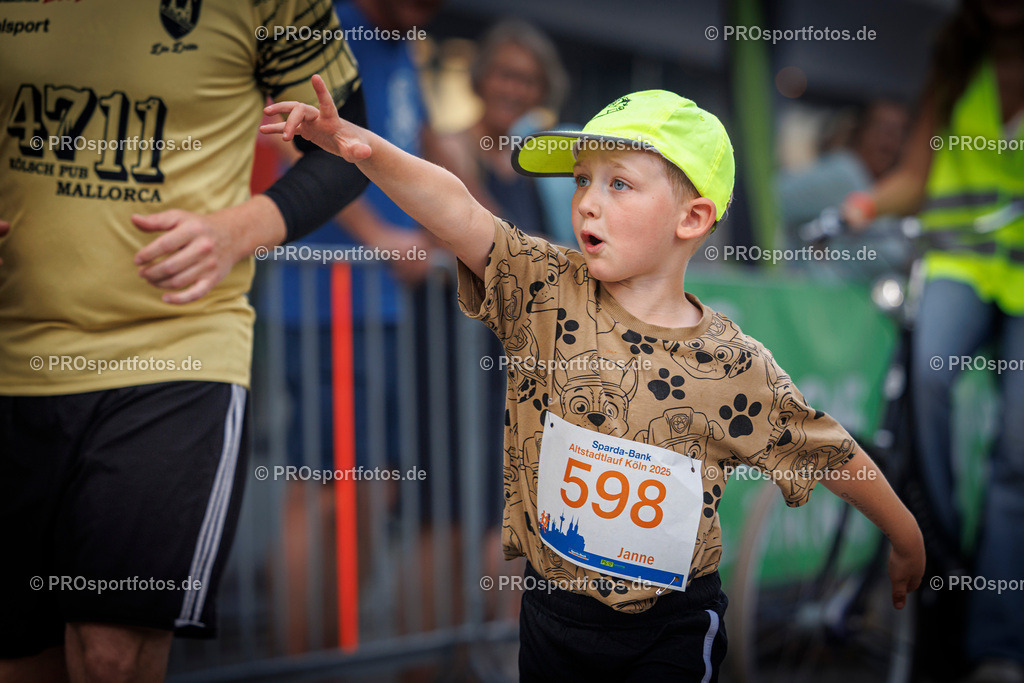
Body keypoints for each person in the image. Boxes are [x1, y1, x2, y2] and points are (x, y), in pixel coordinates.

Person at [264, 78, 926, 679]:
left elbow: (829, 450)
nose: (587, 202)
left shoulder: (734, 364)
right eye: (582, 181)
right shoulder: (544, 287)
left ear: (691, 218)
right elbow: (457, 208)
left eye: (619, 184)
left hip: (667, 629)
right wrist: (364, 150)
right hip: (550, 614)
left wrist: (904, 535)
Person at [0, 3, 367, 681]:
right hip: (14, 359)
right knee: (22, 660)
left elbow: (348, 146)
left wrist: (242, 227)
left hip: (177, 352)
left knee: (112, 650)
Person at [842, 1, 1024, 680]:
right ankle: (943, 548)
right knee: (929, 383)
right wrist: (859, 206)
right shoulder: (956, 70)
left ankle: (999, 645)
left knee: (1016, 453)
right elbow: (915, 178)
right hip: (956, 266)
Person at [436, 19, 568, 239]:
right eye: (505, 75)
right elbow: (490, 236)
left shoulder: (530, 162)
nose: (514, 91)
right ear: (481, 76)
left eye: (528, 81)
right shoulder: (451, 148)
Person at [778, 100, 911, 277]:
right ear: (861, 132)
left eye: (897, 133)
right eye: (880, 129)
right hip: (818, 297)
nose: (887, 142)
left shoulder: (896, 194)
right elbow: (768, 198)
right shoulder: (845, 173)